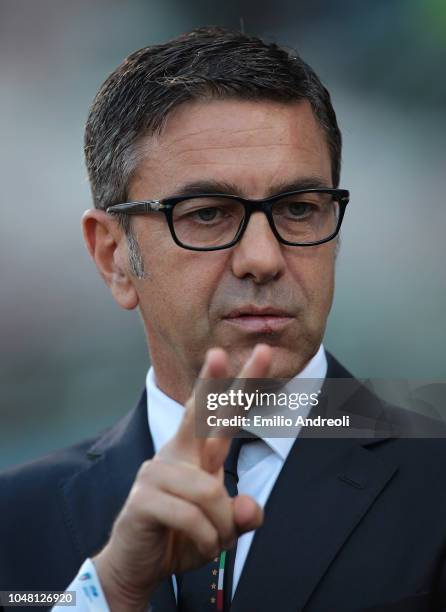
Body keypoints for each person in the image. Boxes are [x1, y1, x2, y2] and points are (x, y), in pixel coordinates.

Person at [0, 27, 445, 612]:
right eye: (206, 213)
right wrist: (109, 594)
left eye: (298, 209)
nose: (262, 258)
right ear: (113, 257)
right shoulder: (15, 521)